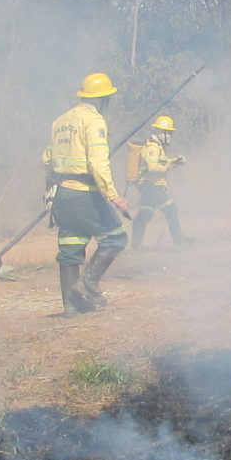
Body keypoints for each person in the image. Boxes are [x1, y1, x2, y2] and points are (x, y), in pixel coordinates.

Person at [42, 72, 130, 315]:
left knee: (70, 249)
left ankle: (71, 307)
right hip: (85, 194)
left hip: (62, 194)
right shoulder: (94, 121)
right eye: (108, 99)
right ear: (102, 99)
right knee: (115, 238)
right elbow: (98, 164)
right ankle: (88, 284)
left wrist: (50, 192)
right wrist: (114, 196)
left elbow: (47, 160)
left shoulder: (60, 122)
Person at [130, 114, 187, 248]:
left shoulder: (158, 147)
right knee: (172, 209)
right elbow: (153, 167)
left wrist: (175, 161)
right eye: (170, 133)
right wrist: (168, 166)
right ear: (163, 132)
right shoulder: (153, 147)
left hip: (149, 187)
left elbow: (161, 163)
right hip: (152, 187)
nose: (171, 136)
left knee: (145, 214)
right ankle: (179, 242)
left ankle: (136, 246)